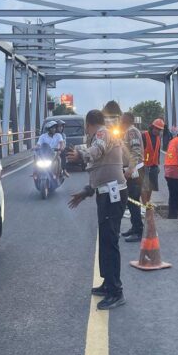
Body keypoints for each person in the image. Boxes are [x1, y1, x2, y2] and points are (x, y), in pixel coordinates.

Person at [66, 110, 128, 310]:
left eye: (86, 126)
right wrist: (85, 192)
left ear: (88, 124)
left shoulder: (102, 134)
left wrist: (80, 154)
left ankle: (116, 292)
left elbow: (97, 151)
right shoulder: (104, 134)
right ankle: (107, 283)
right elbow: (101, 171)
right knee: (105, 241)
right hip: (106, 194)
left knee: (110, 243)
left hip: (112, 195)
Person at [120, 112, 144, 242]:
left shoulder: (132, 131)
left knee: (134, 201)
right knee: (130, 200)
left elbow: (136, 151)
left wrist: (130, 168)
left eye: (121, 119)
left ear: (126, 120)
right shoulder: (128, 131)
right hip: (132, 170)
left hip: (135, 171)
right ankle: (135, 227)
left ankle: (138, 230)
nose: (119, 121)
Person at [164, 130, 178, 219]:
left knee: (173, 194)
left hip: (168, 170)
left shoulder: (172, 141)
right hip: (176, 170)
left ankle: (172, 214)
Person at [141, 118, 164, 202]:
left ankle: (147, 203)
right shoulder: (144, 135)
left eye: (159, 129)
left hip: (154, 166)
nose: (157, 131)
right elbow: (139, 150)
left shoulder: (158, 138)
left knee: (151, 187)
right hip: (144, 165)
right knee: (144, 187)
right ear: (152, 127)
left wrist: (158, 165)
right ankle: (144, 205)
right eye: (156, 128)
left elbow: (157, 152)